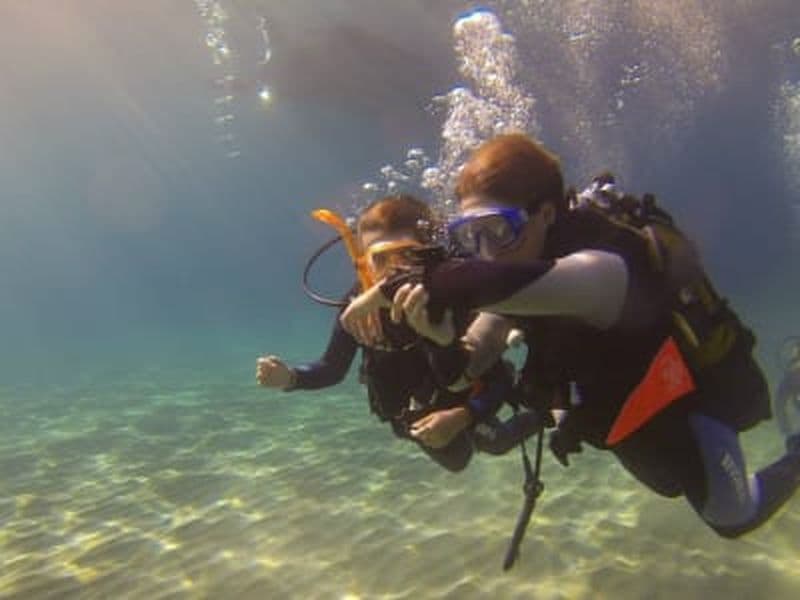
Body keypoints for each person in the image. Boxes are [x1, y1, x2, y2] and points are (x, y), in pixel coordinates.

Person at [341, 134, 800, 536]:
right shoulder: (519, 282)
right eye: (471, 235)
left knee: (731, 519)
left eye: (498, 230)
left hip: (689, 409)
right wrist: (440, 340)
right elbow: (465, 372)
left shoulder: (600, 270)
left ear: (544, 214)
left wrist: (388, 288)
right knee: (670, 485)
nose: (486, 254)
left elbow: (482, 284)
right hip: (627, 421)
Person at [257, 194, 539, 472]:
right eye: (380, 260)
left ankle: (545, 414)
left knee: (495, 442)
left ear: (429, 255)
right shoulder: (358, 307)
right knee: (457, 461)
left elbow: (497, 380)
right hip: (408, 415)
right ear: (363, 263)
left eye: (406, 255)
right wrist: (292, 378)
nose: (394, 272)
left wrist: (463, 417)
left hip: (463, 402)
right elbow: (332, 368)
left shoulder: (453, 298)